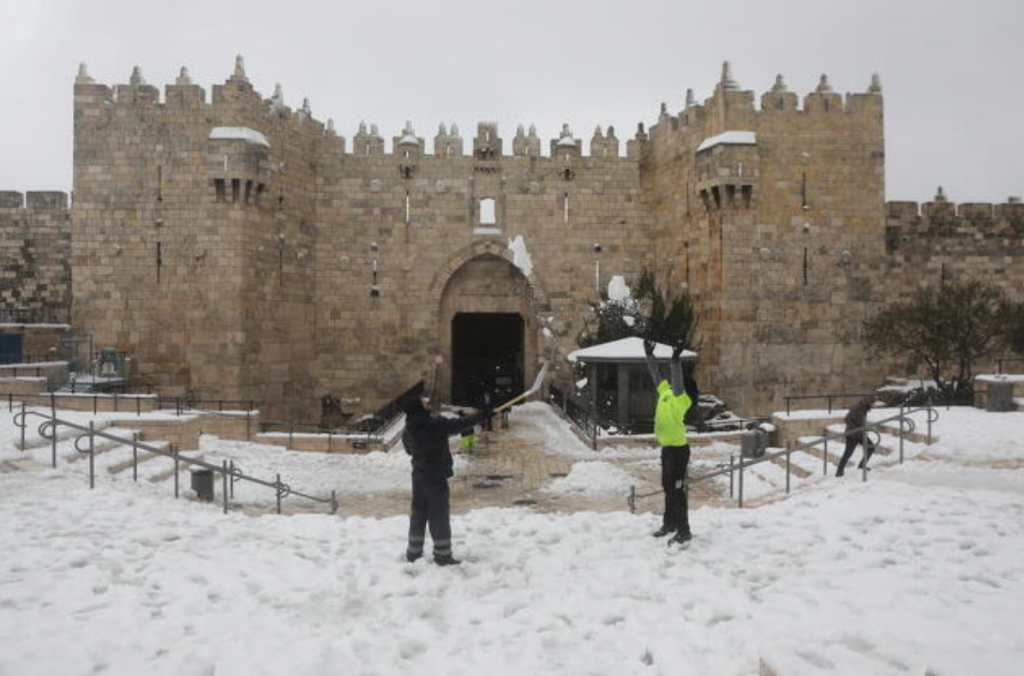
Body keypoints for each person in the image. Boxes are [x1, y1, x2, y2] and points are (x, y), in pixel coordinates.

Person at [402, 395, 489, 565]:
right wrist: (481, 415)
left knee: (418, 515)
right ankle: (442, 555)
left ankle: (414, 552)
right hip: (436, 477)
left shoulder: (409, 428)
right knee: (438, 516)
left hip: (419, 477)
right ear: (419, 408)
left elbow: (408, 450)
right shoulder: (435, 424)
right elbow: (460, 425)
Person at [643, 339, 698, 546]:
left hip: (679, 451)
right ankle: (670, 524)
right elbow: (656, 375)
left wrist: (675, 361)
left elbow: (678, 384)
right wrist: (649, 355)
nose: (676, 387)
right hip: (667, 450)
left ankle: (684, 531)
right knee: (667, 488)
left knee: (676, 490)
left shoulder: (681, 400)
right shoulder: (664, 394)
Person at [836, 394, 877, 477]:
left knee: (871, 447)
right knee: (848, 453)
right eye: (872, 403)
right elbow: (847, 419)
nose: (873, 405)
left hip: (860, 433)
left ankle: (862, 465)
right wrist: (855, 429)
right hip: (852, 434)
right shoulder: (857, 408)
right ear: (868, 402)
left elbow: (860, 420)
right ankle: (839, 471)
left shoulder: (865, 408)